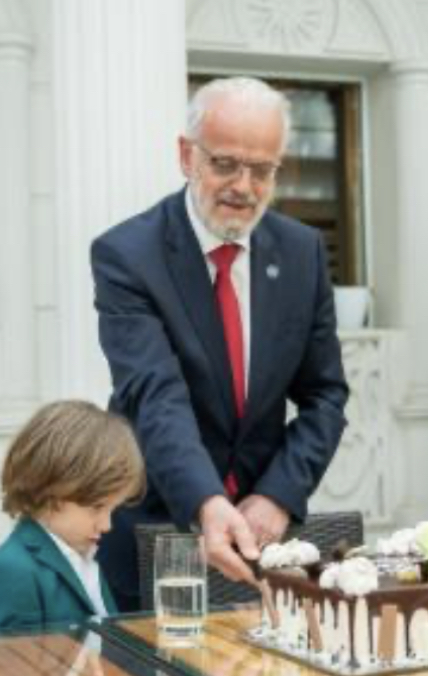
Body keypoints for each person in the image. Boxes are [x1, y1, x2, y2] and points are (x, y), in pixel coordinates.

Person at [91, 76, 350, 610]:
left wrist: (278, 494)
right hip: (158, 530)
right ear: (187, 155)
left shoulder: (302, 253)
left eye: (262, 170)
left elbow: (325, 396)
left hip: (265, 538)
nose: (243, 186)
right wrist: (207, 502)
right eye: (226, 164)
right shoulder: (127, 255)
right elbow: (156, 396)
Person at [0, 400, 145, 633]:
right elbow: (4, 657)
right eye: (96, 507)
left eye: (112, 509)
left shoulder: (84, 557)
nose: (106, 525)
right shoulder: (9, 572)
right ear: (53, 489)